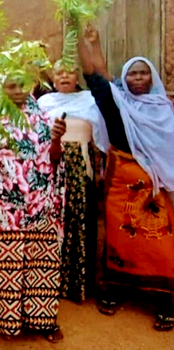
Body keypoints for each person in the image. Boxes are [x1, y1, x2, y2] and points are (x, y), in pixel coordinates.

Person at [80, 28, 174, 331]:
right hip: (122, 182)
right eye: (131, 73)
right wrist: (91, 43)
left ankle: (165, 299)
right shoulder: (117, 105)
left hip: (158, 188)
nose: (136, 78)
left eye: (142, 73)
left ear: (152, 78)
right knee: (120, 238)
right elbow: (96, 76)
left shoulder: (164, 111)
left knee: (161, 240)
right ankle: (114, 289)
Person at [0, 77, 66, 342]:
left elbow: (55, 161)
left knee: (41, 266)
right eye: (11, 86)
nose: (17, 91)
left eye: (22, 84)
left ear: (32, 85)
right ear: (1, 89)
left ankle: (44, 321)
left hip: (38, 206)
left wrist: (57, 140)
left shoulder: (47, 120)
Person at [38, 60, 110, 303]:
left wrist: (100, 170)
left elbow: (100, 137)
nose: (65, 76)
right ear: (53, 78)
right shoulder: (44, 102)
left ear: (76, 76)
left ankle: (78, 282)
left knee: (78, 218)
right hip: (50, 164)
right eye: (60, 72)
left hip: (80, 165)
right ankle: (50, 281)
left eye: (70, 72)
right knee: (53, 217)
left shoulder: (89, 100)